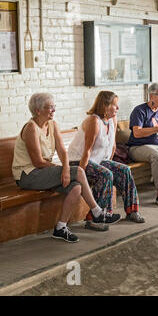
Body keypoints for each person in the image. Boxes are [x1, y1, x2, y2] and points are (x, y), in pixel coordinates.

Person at [12, 93, 120, 243]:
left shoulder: (52, 124)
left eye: (54, 107)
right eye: (50, 108)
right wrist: (65, 169)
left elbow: (62, 151)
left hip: (44, 172)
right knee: (79, 171)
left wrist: (65, 168)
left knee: (76, 188)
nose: (53, 110)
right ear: (38, 110)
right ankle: (97, 211)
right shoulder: (31, 128)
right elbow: (37, 162)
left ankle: (60, 227)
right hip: (28, 175)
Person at [68, 91, 145, 231]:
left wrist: (109, 164)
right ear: (105, 106)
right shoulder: (93, 121)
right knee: (105, 174)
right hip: (77, 161)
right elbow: (87, 150)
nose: (117, 108)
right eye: (115, 105)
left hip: (98, 160)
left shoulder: (112, 120)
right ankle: (95, 218)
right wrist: (82, 173)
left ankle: (132, 210)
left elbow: (112, 145)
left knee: (124, 170)